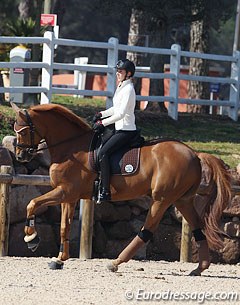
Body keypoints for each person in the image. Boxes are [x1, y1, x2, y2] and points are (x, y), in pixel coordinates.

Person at [93, 59, 137, 203]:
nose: (118, 73)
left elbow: (121, 114)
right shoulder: (121, 86)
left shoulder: (129, 89)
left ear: (128, 74)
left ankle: (105, 191)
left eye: (121, 71)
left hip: (126, 130)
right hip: (119, 128)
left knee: (103, 153)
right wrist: (101, 114)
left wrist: (102, 123)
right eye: (117, 71)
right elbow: (115, 109)